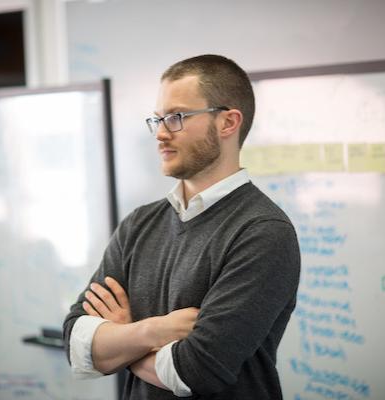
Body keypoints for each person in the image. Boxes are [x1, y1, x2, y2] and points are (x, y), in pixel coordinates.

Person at [63, 54, 301, 399]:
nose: (160, 133)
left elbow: (196, 371)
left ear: (228, 123)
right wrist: (150, 332)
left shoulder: (262, 231)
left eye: (176, 118)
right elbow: (75, 344)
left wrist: (120, 343)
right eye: (157, 119)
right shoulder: (139, 224)